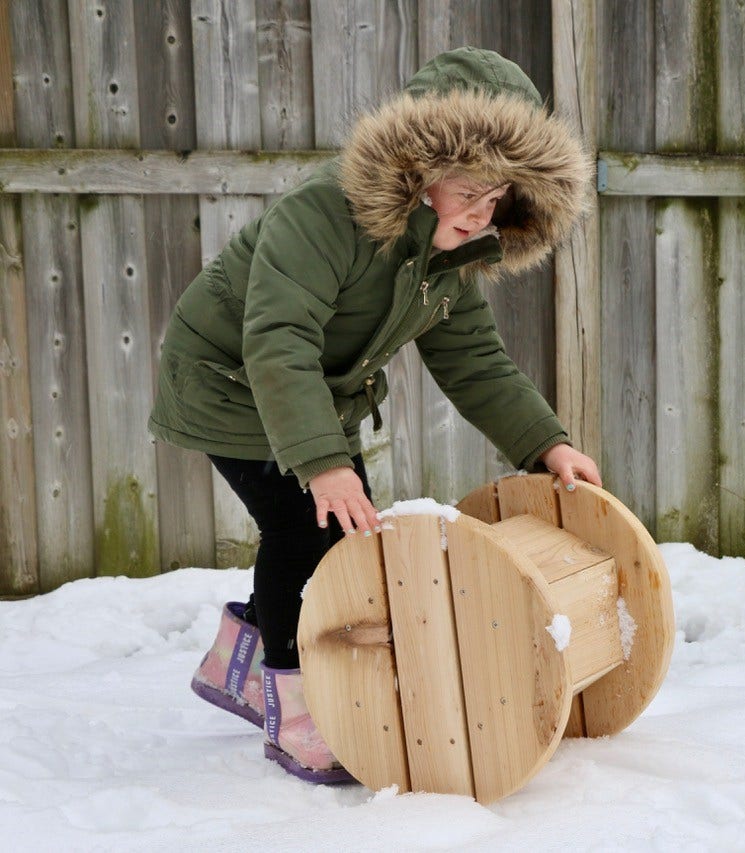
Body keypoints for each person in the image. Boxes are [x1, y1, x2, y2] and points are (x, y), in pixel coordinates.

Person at [149, 47, 599, 783]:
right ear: (419, 169)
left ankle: (239, 661)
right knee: (307, 527)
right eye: (468, 192)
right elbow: (278, 340)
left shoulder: (447, 256)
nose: (482, 214)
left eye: (497, 198)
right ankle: (297, 709)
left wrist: (546, 444)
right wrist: (324, 463)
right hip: (230, 380)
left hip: (310, 396)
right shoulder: (324, 214)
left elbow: (475, 361)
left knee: (342, 535)